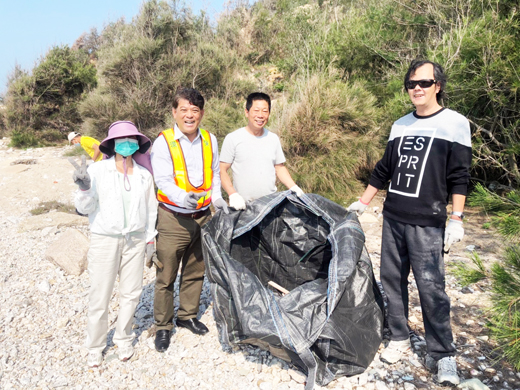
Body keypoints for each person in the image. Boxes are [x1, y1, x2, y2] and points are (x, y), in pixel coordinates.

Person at [347, 59, 471, 386]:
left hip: (429, 223)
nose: (417, 88)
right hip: (394, 217)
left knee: (432, 289)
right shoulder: (400, 125)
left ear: (438, 86)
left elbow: (460, 177)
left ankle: (442, 354)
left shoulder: (455, 124)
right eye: (412, 83)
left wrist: (456, 219)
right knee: (392, 281)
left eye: (424, 83)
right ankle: (400, 337)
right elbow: (383, 169)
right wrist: (363, 202)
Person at [70, 121, 158, 367]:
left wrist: (151, 238)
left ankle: (124, 338)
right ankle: (95, 345)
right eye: (122, 139)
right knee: (100, 293)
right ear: (112, 144)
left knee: (131, 293)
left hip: (136, 240)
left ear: (138, 144)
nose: (127, 143)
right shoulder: (98, 171)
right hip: (105, 239)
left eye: (132, 139)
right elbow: (83, 208)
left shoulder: (143, 175)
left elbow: (151, 209)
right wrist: (84, 188)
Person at [151, 87, 228, 353]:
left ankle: (187, 315)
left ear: (202, 113)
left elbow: (215, 174)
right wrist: (182, 197)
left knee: (196, 270)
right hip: (173, 218)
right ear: (174, 112)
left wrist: (217, 199)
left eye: (194, 111)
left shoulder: (210, 139)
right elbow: (162, 179)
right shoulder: (163, 142)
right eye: (183, 109)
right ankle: (162, 326)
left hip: (204, 217)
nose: (189, 115)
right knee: (166, 273)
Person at [219, 92, 303, 209]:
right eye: (256, 110)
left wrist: (294, 187)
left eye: (265, 111)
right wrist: (232, 194)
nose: (260, 115)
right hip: (243, 206)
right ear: (247, 112)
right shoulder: (233, 138)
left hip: (270, 205)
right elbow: (221, 170)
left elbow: (279, 168)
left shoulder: (273, 138)